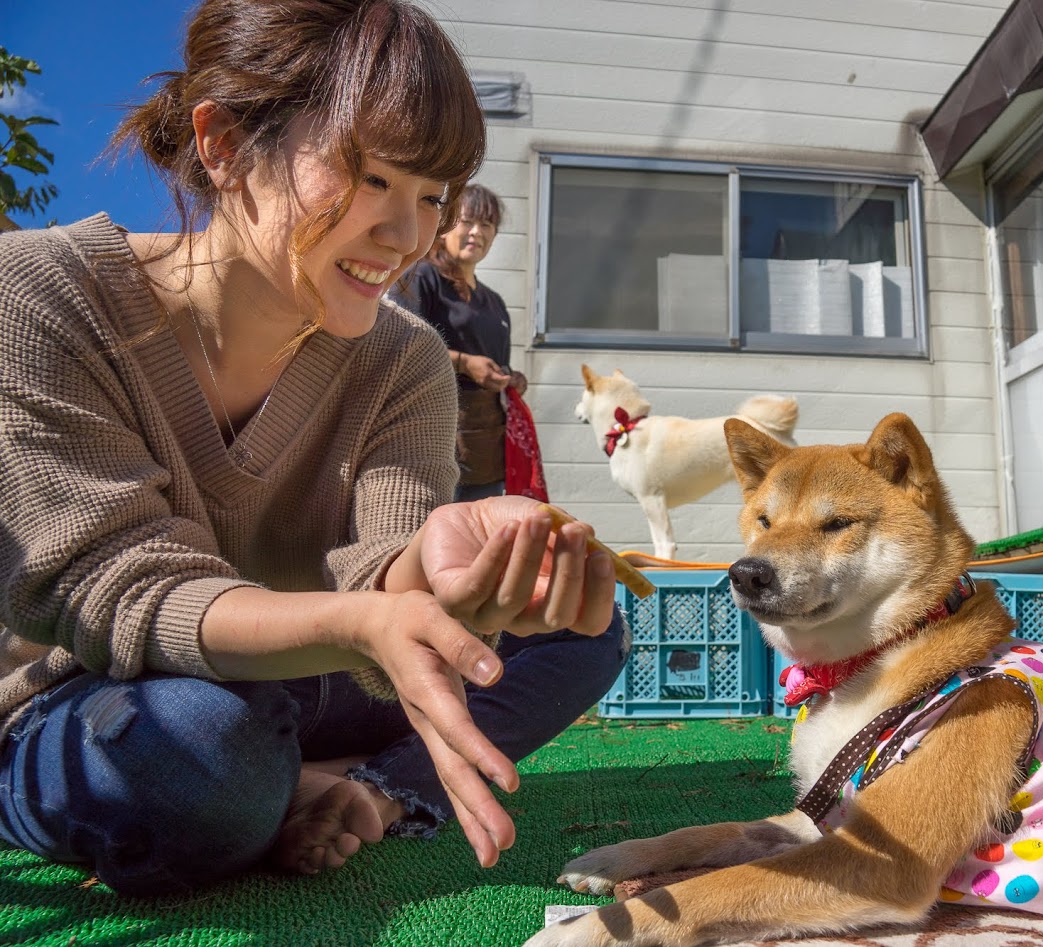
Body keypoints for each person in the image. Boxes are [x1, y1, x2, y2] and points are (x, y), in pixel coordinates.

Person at [0, 0, 626, 897]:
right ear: (222, 145)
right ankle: (299, 775)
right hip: (106, 691)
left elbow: (381, 574)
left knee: (587, 625)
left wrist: (437, 580)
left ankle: (371, 787)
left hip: (308, 678)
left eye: (431, 196)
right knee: (195, 752)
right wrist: (362, 620)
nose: (406, 235)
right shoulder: (41, 297)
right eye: (370, 178)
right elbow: (121, 593)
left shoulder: (404, 355)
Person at [389, 185, 523, 502]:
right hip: (434, 438)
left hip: (487, 448)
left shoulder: (494, 302)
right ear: (447, 225)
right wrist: (465, 363)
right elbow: (402, 343)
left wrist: (509, 378)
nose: (477, 232)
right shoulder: (421, 277)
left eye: (487, 225)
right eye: (467, 222)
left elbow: (495, 362)